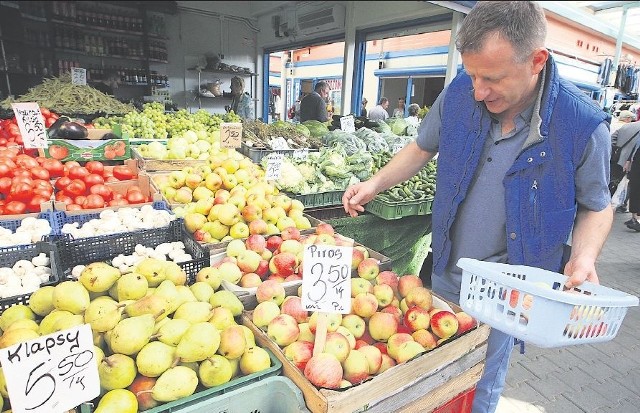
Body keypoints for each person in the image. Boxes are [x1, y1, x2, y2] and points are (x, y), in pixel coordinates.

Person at [342, 3, 612, 413]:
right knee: (430, 374)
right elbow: (421, 147)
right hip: (447, 270)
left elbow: (597, 205)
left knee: (481, 381)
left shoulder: (583, 126)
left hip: (508, 290)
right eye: (472, 75)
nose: (479, 91)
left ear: (537, 60)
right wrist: (375, 183)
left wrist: (585, 257)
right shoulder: (459, 95)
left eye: (493, 78)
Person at [610, 110, 640, 211]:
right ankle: (621, 205)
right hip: (632, 163)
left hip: (618, 159)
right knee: (627, 185)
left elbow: (612, 139)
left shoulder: (627, 126)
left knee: (613, 182)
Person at [617, 117, 640, 230]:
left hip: (636, 162)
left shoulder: (632, 126)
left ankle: (636, 219)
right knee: (635, 188)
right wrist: (629, 160)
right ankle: (635, 218)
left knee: (635, 188)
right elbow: (636, 146)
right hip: (636, 161)